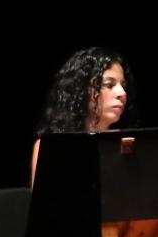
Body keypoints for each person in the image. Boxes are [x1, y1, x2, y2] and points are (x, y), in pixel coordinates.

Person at [29, 47, 133, 186]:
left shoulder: (127, 143)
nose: (122, 93)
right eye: (109, 85)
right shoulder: (51, 147)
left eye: (123, 85)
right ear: (82, 89)